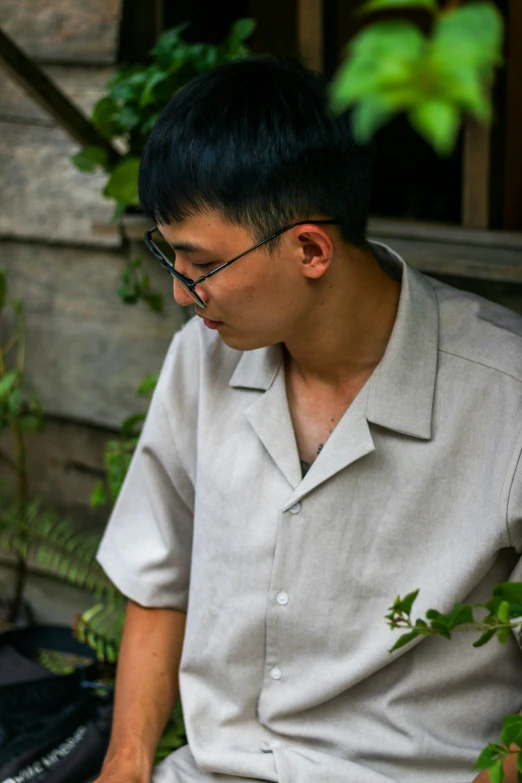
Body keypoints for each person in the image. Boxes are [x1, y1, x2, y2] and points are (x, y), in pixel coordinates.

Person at [95, 56, 522, 783]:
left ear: (311, 249)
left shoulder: (505, 394)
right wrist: (125, 766)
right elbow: (157, 575)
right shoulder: (202, 359)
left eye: (198, 263)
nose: (179, 293)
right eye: (169, 255)